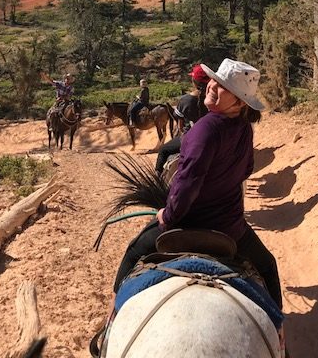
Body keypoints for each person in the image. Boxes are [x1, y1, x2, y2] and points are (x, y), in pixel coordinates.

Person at [113, 58, 283, 310]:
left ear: (238, 101)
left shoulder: (205, 129)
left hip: (186, 223)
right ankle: (279, 332)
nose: (212, 86)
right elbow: (246, 170)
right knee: (268, 266)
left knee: (133, 253)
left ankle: (112, 319)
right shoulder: (245, 129)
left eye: (223, 86)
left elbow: (187, 182)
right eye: (213, 80)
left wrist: (167, 216)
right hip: (230, 228)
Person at [155, 64, 210, 175]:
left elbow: (180, 126)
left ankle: (157, 180)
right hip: (211, 139)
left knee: (163, 150)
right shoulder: (215, 99)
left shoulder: (185, 100)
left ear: (193, 81)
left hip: (190, 139)